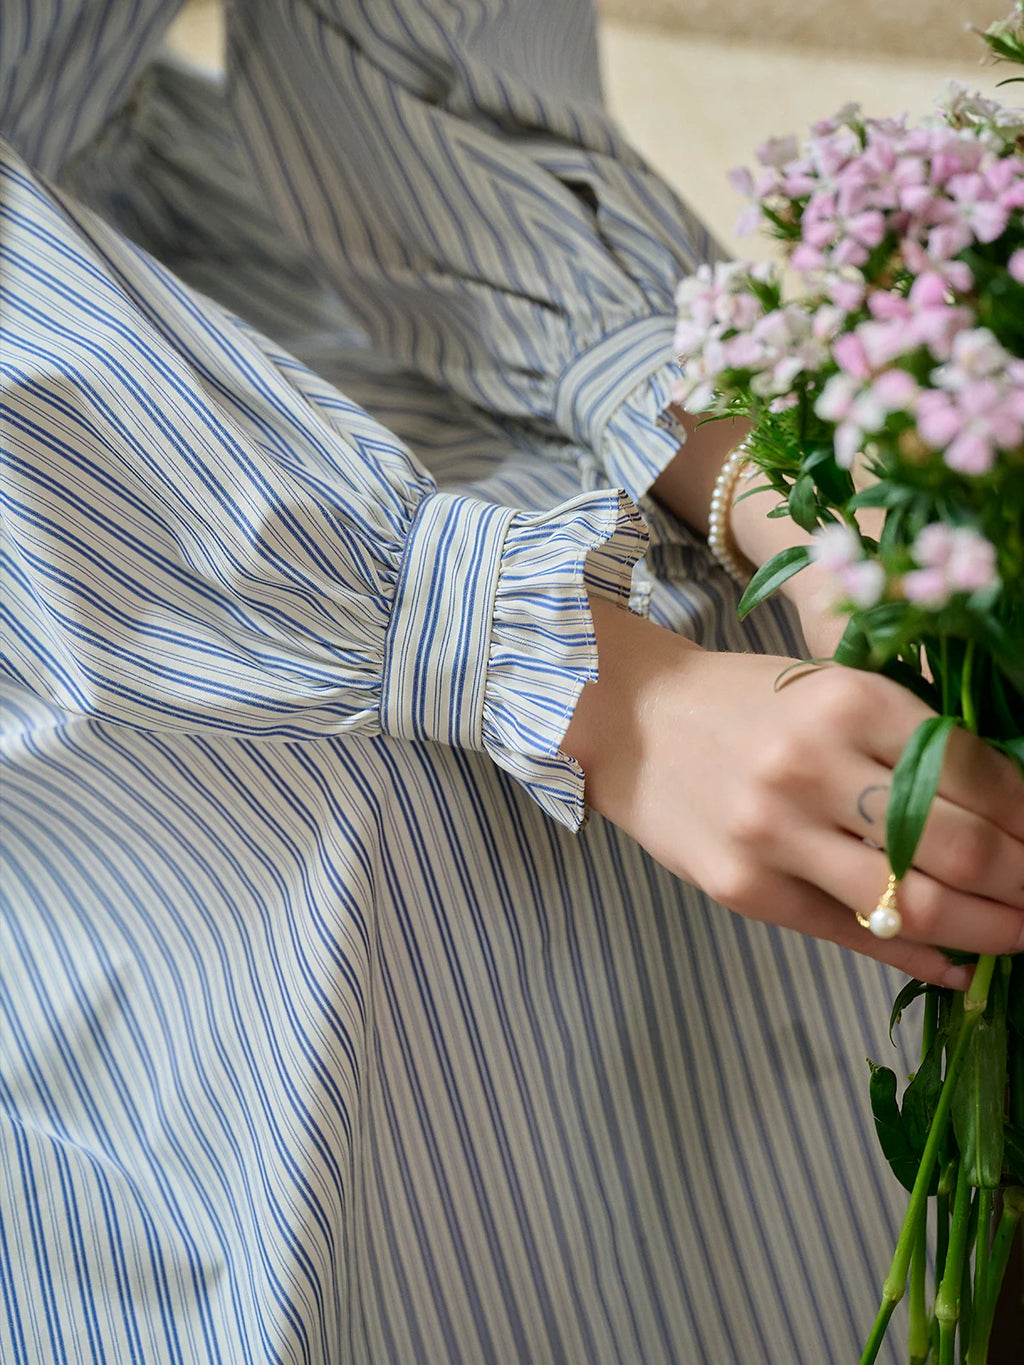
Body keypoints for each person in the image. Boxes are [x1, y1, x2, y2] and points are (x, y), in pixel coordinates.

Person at [2, 2, 1021, 1361]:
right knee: (366, 826)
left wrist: (767, 480)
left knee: (712, 589)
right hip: (62, 407)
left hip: (142, 241)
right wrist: (601, 686)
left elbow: (406, 51)